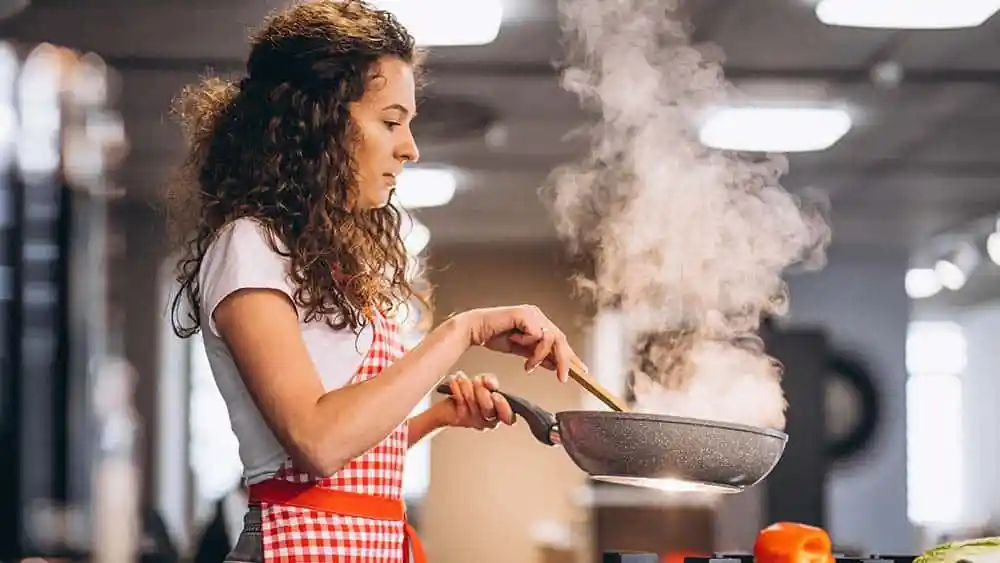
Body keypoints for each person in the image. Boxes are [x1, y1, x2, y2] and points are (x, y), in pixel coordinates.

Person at [166, 2, 587, 562]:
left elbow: (344, 465)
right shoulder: (250, 246)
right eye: (391, 122)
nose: (410, 147)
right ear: (317, 122)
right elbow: (318, 443)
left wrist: (435, 419)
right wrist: (462, 331)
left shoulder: (319, 258)